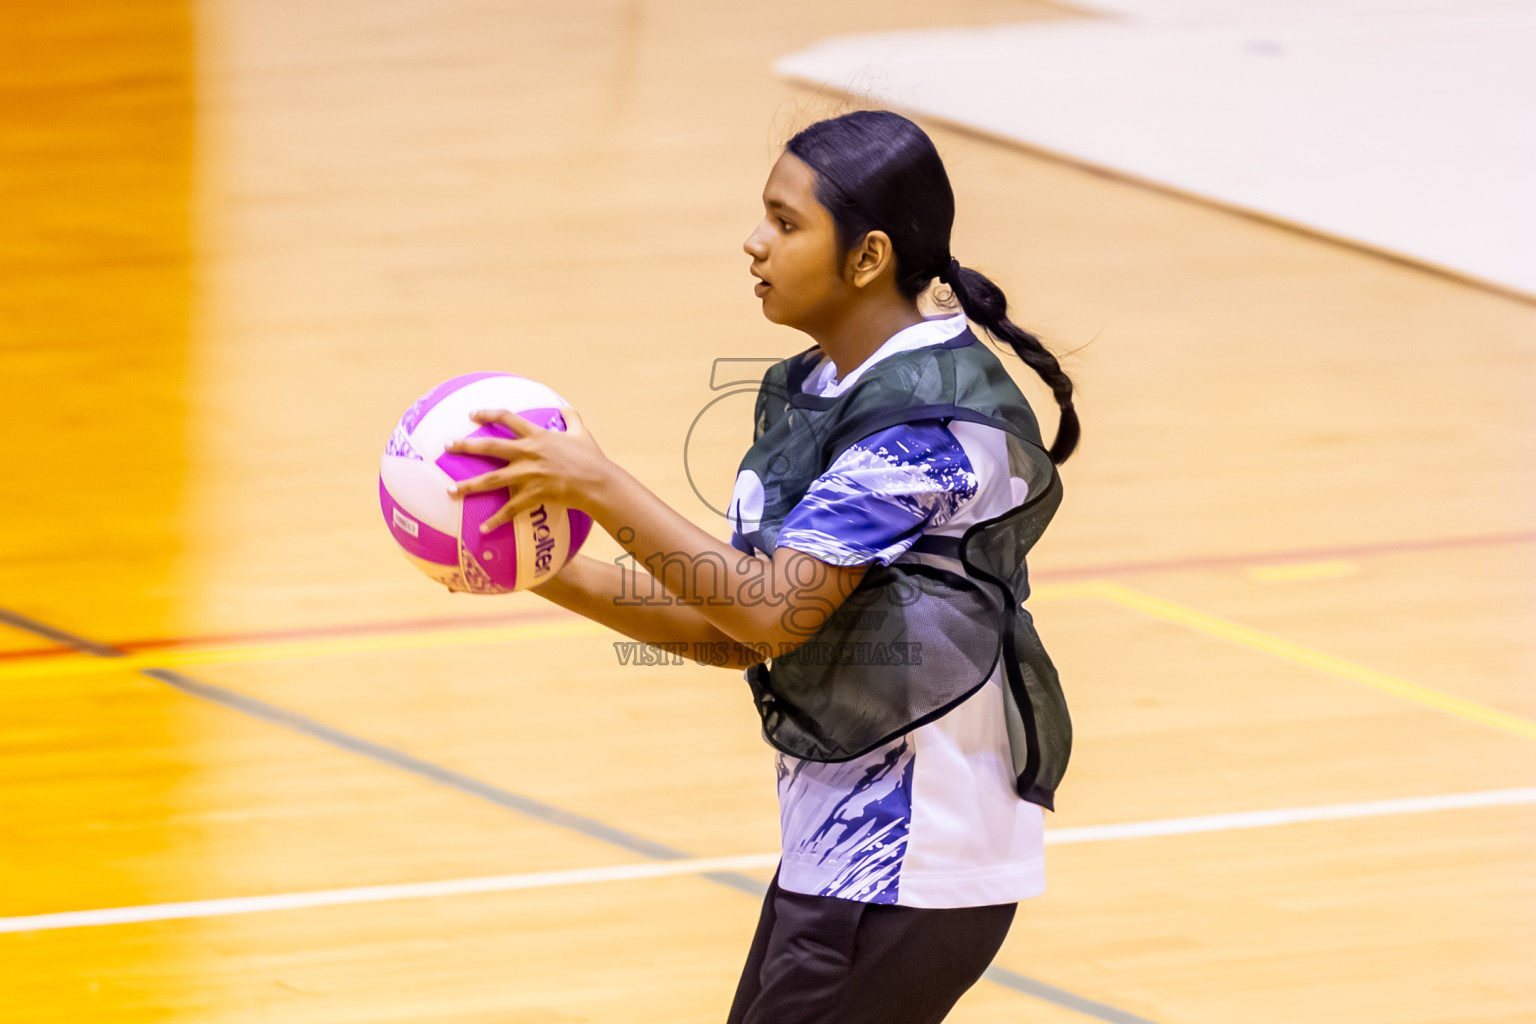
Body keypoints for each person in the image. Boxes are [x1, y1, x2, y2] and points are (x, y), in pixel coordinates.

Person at [443, 109, 1078, 1024]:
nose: (754, 243)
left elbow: (771, 611)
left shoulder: (924, 422)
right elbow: (736, 631)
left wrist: (597, 484)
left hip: (916, 863)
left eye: (785, 223)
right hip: (844, 853)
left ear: (867, 257)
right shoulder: (821, 388)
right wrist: (537, 567)